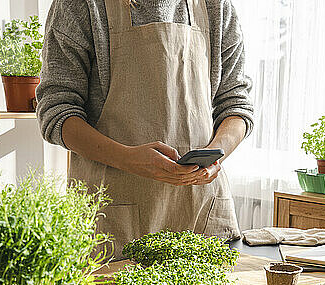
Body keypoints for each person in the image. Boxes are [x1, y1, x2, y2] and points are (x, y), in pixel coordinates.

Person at [37, 0, 254, 258]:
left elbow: (236, 105)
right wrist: (127, 159)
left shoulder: (215, 6)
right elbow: (57, 112)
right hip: (112, 221)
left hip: (201, 215)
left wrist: (216, 153)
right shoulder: (81, 5)